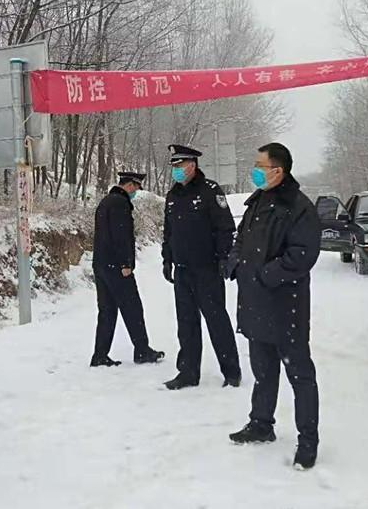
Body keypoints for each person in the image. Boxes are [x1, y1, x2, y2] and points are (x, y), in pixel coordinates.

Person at [226, 142, 322, 471]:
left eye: (260, 165)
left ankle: (307, 441)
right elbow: (240, 239)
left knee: (300, 376)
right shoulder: (257, 201)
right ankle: (261, 424)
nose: (254, 170)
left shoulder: (298, 207)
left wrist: (265, 275)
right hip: (255, 304)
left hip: (285, 307)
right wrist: (236, 264)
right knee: (263, 372)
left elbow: (302, 255)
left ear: (277, 171)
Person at [161, 144, 241, 390]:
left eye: (180, 165)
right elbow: (169, 232)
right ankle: (188, 372)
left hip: (207, 269)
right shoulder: (173, 195)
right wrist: (167, 259)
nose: (176, 169)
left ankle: (231, 372)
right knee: (186, 323)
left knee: (217, 321)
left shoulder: (210, 191)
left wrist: (224, 259)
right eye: (173, 166)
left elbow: (225, 228)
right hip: (182, 269)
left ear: (192, 165)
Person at [90, 171, 165, 367]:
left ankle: (100, 354)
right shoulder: (120, 203)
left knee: (107, 311)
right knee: (132, 307)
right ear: (130, 185)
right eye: (136, 188)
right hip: (117, 266)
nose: (136, 192)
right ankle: (142, 350)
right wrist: (125, 263)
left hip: (101, 264)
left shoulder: (106, 202)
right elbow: (121, 235)